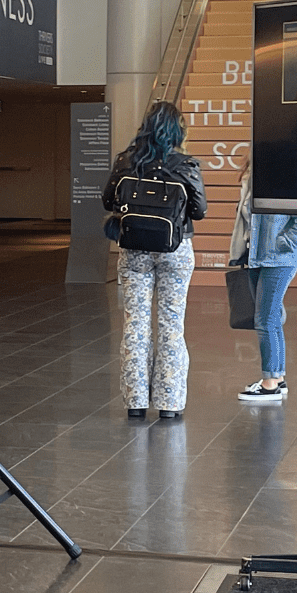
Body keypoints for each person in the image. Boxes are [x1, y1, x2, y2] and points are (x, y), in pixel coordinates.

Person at [102, 101, 206, 421]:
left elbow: (107, 200)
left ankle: (135, 401)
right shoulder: (185, 164)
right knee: (172, 325)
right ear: (178, 131)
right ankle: (169, 403)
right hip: (175, 249)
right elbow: (199, 210)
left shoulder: (126, 160)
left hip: (134, 250)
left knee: (135, 324)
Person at [237, 199, 297, 404]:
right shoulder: (250, 184)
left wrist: (284, 242)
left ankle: (269, 384)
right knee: (272, 319)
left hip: (279, 259)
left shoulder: (284, 184)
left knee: (266, 320)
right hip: (256, 257)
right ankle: (277, 378)